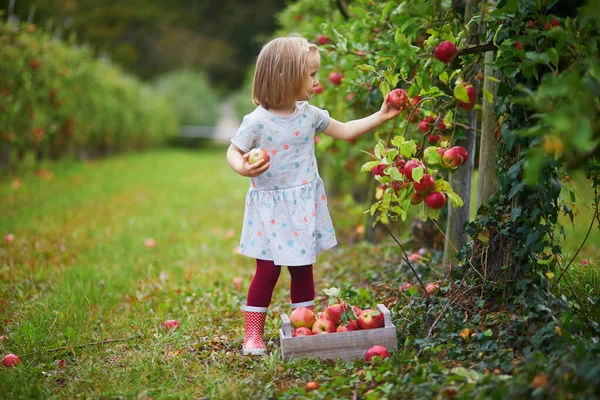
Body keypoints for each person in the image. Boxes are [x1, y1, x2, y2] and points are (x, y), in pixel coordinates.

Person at [226, 35, 402, 355]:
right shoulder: (257, 121)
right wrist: (243, 167)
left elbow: (346, 130)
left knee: (303, 268)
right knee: (266, 271)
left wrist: (381, 115)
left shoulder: (309, 115)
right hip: (269, 207)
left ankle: (301, 328)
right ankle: (252, 335)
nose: (317, 81)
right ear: (285, 76)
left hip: (301, 207)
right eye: (311, 74)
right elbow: (234, 150)